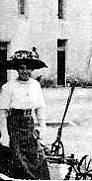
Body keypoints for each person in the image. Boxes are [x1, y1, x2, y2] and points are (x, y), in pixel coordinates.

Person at [0, 49, 51, 179]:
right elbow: (3, 112)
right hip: (14, 127)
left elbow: (39, 108)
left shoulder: (35, 85)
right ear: (17, 70)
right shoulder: (9, 87)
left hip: (29, 126)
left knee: (38, 156)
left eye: (28, 68)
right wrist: (5, 135)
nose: (25, 71)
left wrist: (43, 129)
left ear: (32, 69)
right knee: (18, 158)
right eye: (21, 68)